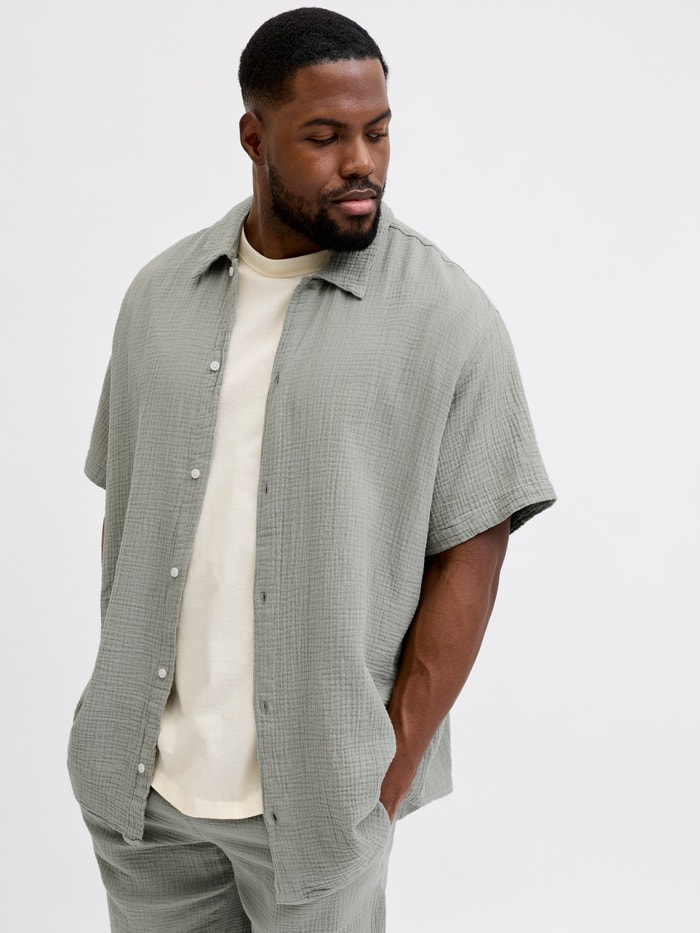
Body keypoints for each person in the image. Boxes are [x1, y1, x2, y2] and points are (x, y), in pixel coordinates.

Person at [68, 7, 556, 932]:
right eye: (325, 137)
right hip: (142, 803)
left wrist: (385, 772)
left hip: (323, 810)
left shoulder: (447, 315)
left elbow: (473, 549)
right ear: (254, 137)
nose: (361, 161)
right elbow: (128, 514)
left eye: (378, 132)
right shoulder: (158, 297)